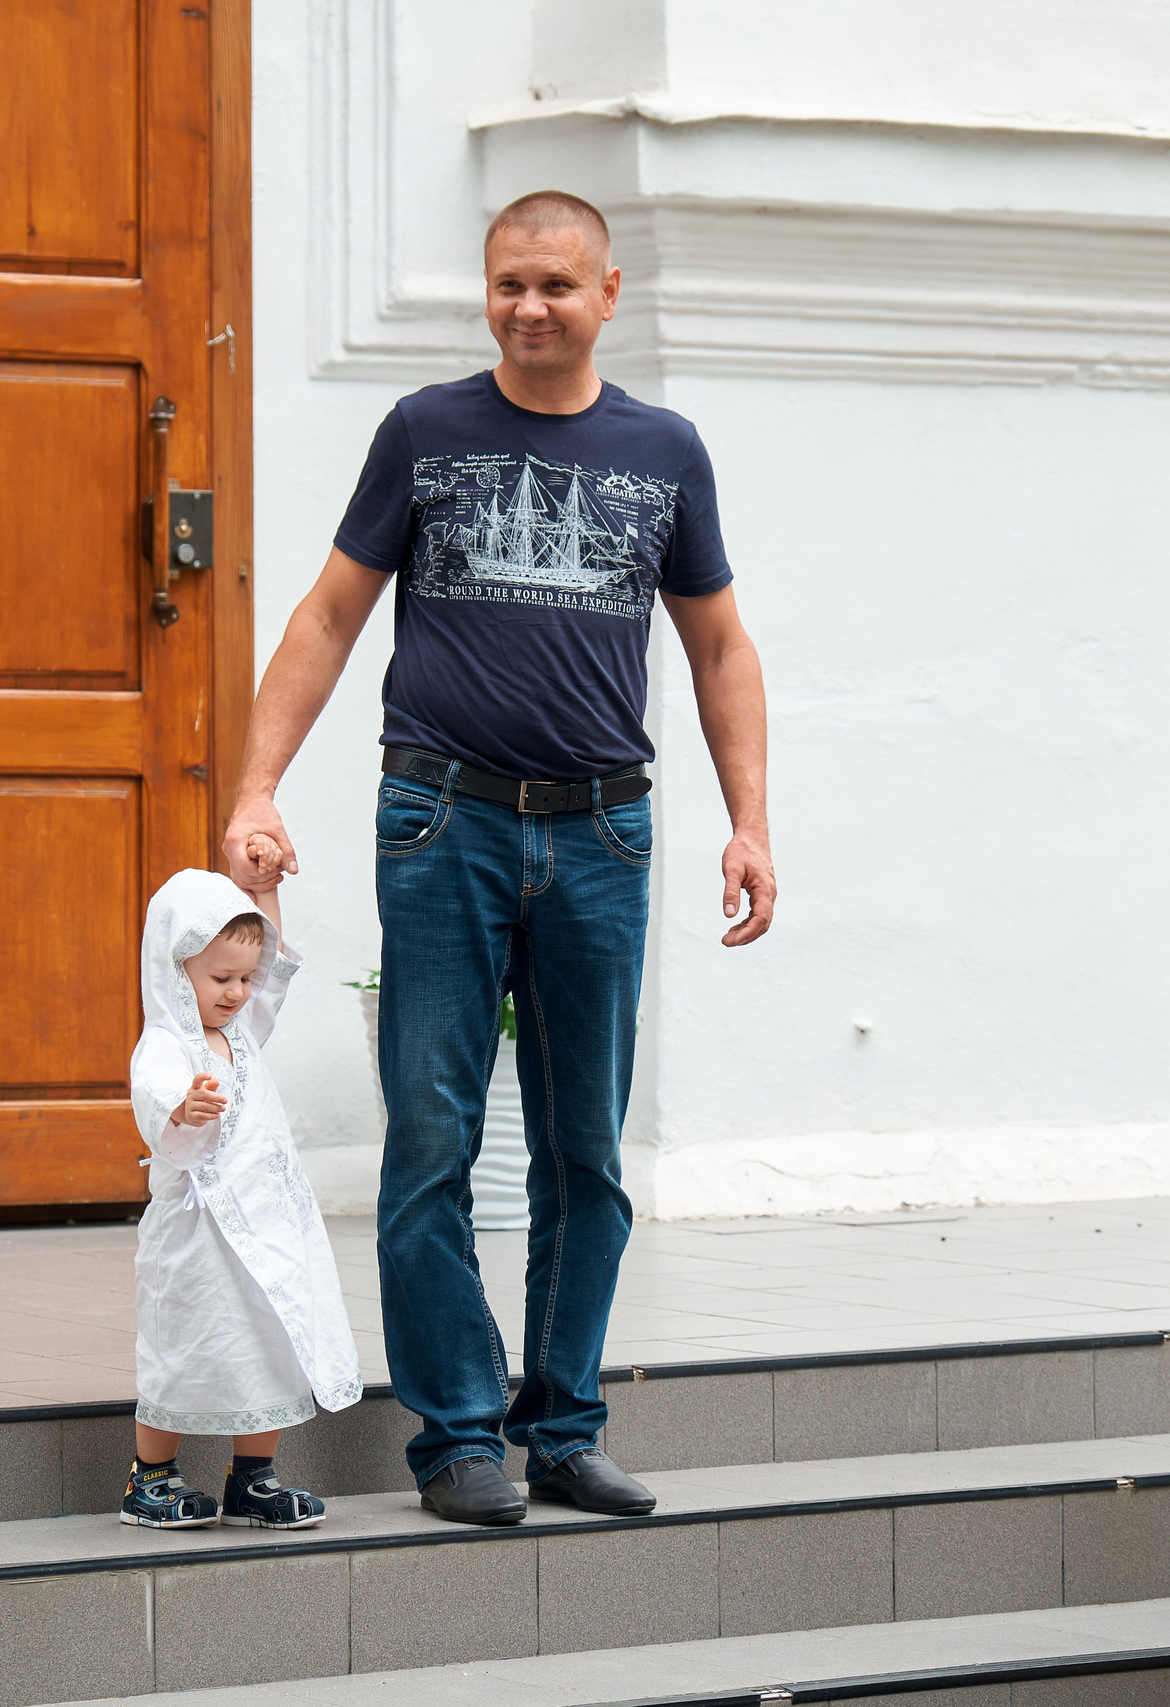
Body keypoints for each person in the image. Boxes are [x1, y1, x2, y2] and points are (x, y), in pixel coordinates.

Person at [221, 189, 774, 1527]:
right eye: (509, 285)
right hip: (442, 818)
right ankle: (460, 1436)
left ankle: (566, 1428)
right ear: (486, 291)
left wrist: (750, 820)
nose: (532, 308)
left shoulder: (666, 448)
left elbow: (718, 646)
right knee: (431, 1139)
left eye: (557, 287)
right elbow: (331, 612)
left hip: (601, 827)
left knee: (587, 1149)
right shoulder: (425, 430)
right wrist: (254, 785)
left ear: (607, 293)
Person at [122, 849, 360, 1530]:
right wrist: (180, 1108)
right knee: (185, 1344)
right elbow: (154, 1096)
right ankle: (152, 1476)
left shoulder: (243, 1030)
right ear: (175, 970)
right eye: (220, 976)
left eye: (244, 978)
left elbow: (277, 962)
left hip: (270, 1225)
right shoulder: (167, 1044)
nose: (236, 991)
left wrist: (262, 891)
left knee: (268, 1342)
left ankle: (252, 1477)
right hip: (197, 1239)